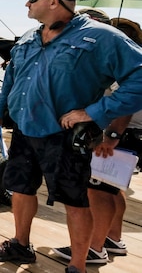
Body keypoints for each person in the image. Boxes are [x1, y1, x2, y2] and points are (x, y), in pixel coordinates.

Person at [0, 0, 142, 273]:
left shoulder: (102, 37)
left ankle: (78, 266)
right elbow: (12, 78)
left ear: (53, 2)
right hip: (24, 129)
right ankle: (20, 244)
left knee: (76, 200)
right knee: (20, 188)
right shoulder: (30, 36)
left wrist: (94, 112)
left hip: (65, 136)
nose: (27, 4)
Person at [50, 15, 142, 264]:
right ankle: (113, 237)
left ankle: (95, 247)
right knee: (113, 189)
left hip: (117, 135)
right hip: (131, 136)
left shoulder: (120, 64)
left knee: (97, 192)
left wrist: (111, 136)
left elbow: (125, 105)